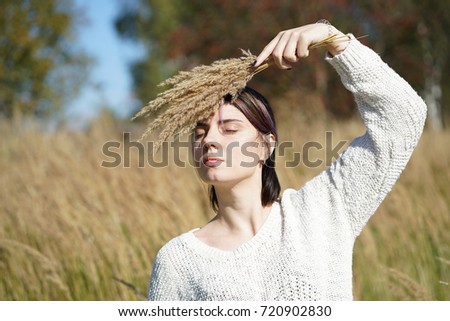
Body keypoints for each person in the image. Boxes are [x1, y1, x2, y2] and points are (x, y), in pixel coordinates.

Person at [147, 22, 427, 300]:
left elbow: (404, 118)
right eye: (199, 132)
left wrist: (333, 39)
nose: (208, 140)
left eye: (229, 129)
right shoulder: (179, 261)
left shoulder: (321, 212)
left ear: (266, 146)